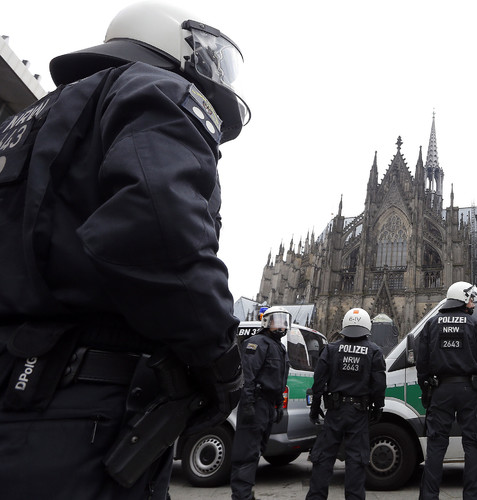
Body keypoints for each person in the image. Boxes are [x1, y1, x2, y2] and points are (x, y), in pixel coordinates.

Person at [0, 2, 248, 499]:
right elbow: (160, 231)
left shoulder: (28, 121)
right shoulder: (155, 89)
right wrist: (219, 361)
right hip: (86, 409)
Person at [416, 282, 477, 500]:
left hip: (440, 390)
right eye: (470, 300)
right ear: (462, 299)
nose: (472, 304)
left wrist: (426, 389)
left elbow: (422, 363)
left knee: (435, 447)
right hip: (470, 390)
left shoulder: (431, 325)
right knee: (474, 446)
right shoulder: (475, 325)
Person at [306, 308, 386, 500]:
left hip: (334, 411)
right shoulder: (374, 351)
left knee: (323, 459)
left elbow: (318, 383)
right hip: (359, 413)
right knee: (356, 461)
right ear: (367, 326)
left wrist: (315, 408)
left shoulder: (331, 349)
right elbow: (379, 385)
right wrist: (377, 407)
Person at [231, 307, 291, 500]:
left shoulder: (279, 347)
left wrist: (279, 404)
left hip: (267, 406)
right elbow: (248, 377)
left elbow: (279, 380)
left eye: (284, 321)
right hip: (255, 404)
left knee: (256, 451)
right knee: (246, 454)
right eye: (277, 320)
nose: (281, 325)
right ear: (267, 322)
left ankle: (245, 492)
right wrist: (247, 404)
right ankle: (241, 496)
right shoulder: (257, 343)